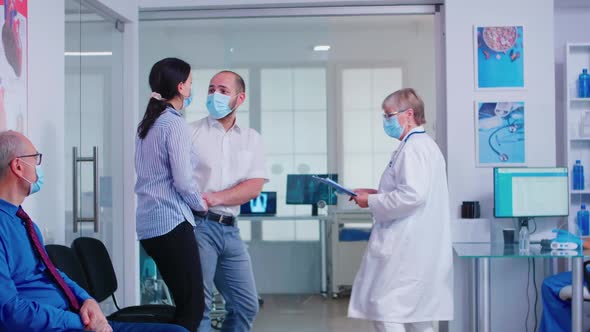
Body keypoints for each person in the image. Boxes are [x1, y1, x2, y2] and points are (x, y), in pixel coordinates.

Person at [0, 130, 188, 332]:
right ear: (18, 166)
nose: (39, 166)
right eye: (35, 158)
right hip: (61, 325)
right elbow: (10, 311)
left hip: (75, 320)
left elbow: (52, 273)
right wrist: (82, 322)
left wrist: (87, 299)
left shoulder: (23, 222)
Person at [347, 88, 453, 332]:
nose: (386, 121)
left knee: (387, 311)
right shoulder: (423, 145)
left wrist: (371, 202)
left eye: (388, 115)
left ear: (408, 114)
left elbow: (412, 196)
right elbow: (412, 191)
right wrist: (374, 194)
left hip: (406, 247)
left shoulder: (414, 148)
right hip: (419, 245)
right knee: (418, 317)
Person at [189, 70, 267, 331]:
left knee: (246, 305)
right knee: (200, 306)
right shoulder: (190, 133)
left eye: (223, 90)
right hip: (199, 227)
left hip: (231, 229)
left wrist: (215, 197)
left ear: (240, 98)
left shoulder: (251, 138)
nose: (214, 95)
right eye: (211, 89)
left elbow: (254, 187)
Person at [135, 57, 208, 332]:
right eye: (190, 83)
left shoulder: (147, 123)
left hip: (149, 224)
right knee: (192, 308)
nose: (191, 87)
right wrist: (201, 205)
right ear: (180, 87)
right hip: (171, 222)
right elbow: (183, 180)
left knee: (183, 304)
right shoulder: (173, 123)